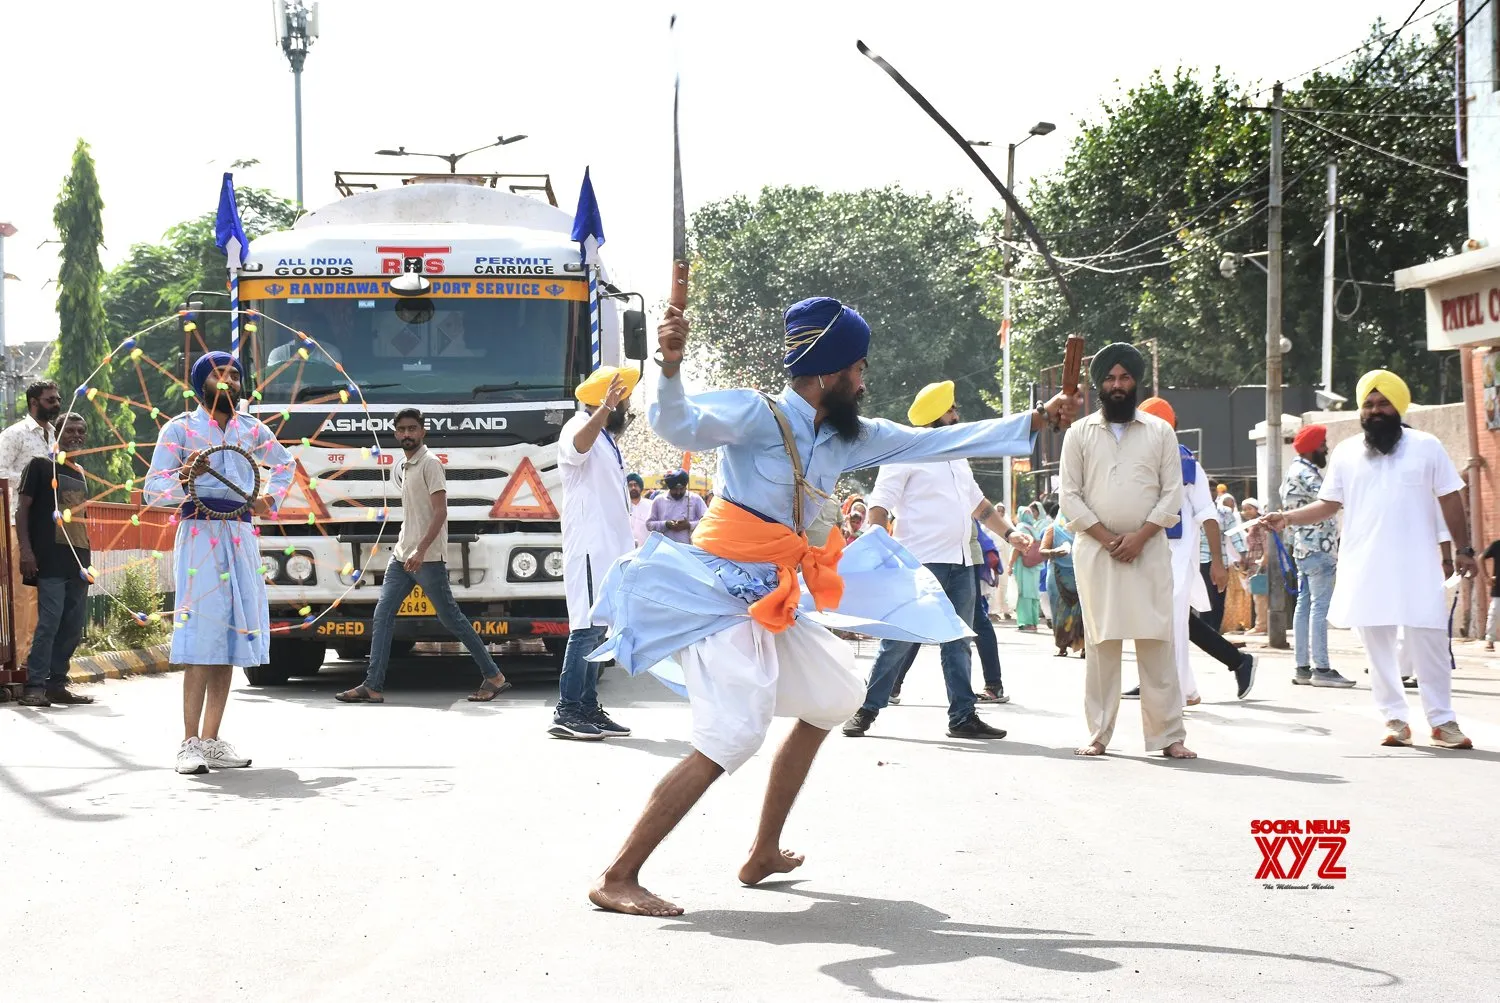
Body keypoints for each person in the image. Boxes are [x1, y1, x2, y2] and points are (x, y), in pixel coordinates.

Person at [583, 298, 1076, 916]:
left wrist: (1032, 421)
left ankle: (763, 850)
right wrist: (671, 365)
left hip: (776, 597)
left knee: (833, 698)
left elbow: (937, 440)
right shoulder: (756, 413)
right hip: (718, 598)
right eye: (859, 370)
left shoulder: (852, 437)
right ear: (827, 372)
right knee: (733, 734)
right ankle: (619, 875)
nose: (865, 382)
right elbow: (678, 425)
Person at [1267, 370, 1474, 750]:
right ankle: (1394, 718)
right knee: (1377, 647)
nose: (1375, 410)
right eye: (1368, 404)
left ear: (1398, 406)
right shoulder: (1347, 453)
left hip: (1418, 564)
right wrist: (1288, 517)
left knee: (1428, 639)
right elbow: (1329, 504)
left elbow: (1449, 498)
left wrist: (1463, 549)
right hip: (1366, 564)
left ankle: (1443, 722)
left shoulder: (1426, 446)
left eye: (1382, 403)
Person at [843, 379, 1033, 738]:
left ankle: (962, 716)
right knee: (898, 640)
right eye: (952, 410)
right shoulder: (905, 451)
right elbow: (880, 503)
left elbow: (981, 506)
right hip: (919, 563)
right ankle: (866, 709)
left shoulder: (957, 455)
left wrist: (1009, 533)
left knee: (958, 639)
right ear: (936, 415)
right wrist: (879, 542)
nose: (957, 415)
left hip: (962, 562)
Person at [146, 353, 295, 773]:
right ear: (201, 384)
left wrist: (270, 498)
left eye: (234, 374)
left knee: (230, 634)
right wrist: (184, 475)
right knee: (201, 634)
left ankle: (211, 740)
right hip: (199, 535)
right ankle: (188, 742)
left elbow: (286, 465)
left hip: (242, 534)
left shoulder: (253, 429)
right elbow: (151, 490)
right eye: (219, 374)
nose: (228, 380)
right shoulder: (180, 429)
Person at [1059, 343, 1194, 759]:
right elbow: (1069, 496)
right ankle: (1099, 734)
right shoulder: (1079, 433)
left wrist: (1139, 537)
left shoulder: (1160, 432)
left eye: (1125, 378)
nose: (1117, 386)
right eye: (1110, 379)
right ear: (1099, 385)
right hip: (1097, 554)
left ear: (1136, 382)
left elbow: (1172, 495)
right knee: (1101, 644)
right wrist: (1106, 537)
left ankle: (1169, 737)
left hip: (1149, 549)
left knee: (1157, 642)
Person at [335, 407, 511, 705]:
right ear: (395, 433)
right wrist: (407, 548)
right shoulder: (405, 467)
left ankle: (494, 676)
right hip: (402, 556)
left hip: (426, 558)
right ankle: (373, 685)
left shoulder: (430, 464)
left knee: (451, 619)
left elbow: (441, 512)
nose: (407, 434)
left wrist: (421, 549)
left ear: (422, 431)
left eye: (412, 429)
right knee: (382, 615)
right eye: (402, 429)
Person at [1135, 396, 1253, 704]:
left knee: (1174, 623)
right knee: (1163, 625)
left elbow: (1207, 514)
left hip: (1176, 557)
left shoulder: (1188, 465)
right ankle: (1184, 688)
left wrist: (1217, 561)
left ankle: (1174, 691)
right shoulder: (1135, 463)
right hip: (1143, 556)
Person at [546, 368, 637, 740]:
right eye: (623, 402)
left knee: (599, 630)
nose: (626, 409)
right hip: (589, 548)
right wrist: (603, 410)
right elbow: (577, 448)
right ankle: (567, 710)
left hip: (610, 551)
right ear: (605, 400)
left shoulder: (608, 439)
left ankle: (587, 706)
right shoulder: (579, 425)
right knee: (584, 628)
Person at [14, 413, 93, 707]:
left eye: (81, 431)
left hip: (79, 561)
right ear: (55, 434)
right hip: (49, 558)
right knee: (49, 621)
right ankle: (34, 686)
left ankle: (57, 684)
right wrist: (26, 551)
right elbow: (21, 511)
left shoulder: (80, 472)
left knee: (73, 625)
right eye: (70, 430)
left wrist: (87, 563)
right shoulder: (39, 466)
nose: (76, 435)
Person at [1280, 423, 1351, 686]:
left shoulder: (1292, 471)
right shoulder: (1309, 474)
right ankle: (1321, 669)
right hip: (1319, 548)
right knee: (1319, 608)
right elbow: (1331, 501)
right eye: (1322, 445)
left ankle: (1302, 667)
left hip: (1302, 548)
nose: (1326, 449)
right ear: (1312, 449)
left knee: (1304, 606)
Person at [1, 379, 63, 671]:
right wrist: (31, 484)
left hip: (45, 525)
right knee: (23, 592)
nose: (57, 403)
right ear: (34, 402)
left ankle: (40, 663)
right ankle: (22, 661)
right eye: (51, 399)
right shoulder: (15, 434)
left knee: (44, 594)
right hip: (17, 522)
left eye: (58, 398)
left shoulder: (53, 438)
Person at [1039, 496, 1084, 657]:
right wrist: (1054, 552)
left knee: (1083, 612)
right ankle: (1062, 646)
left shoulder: (1083, 528)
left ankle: (1083, 645)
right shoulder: (1053, 528)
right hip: (1057, 575)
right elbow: (1042, 551)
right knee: (1060, 612)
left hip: (1081, 574)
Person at [647, 469, 706, 544]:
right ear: (669, 488)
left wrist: (689, 525)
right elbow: (649, 525)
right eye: (675, 489)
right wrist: (666, 524)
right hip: (666, 548)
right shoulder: (659, 500)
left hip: (690, 548)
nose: (678, 493)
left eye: (681, 489)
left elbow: (707, 522)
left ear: (685, 487)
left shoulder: (695, 499)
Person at [1239, 497, 1269, 634]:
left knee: (1260, 594)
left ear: (1256, 509)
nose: (1246, 512)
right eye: (1244, 509)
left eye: (1249, 508)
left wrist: (1265, 558)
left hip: (1260, 561)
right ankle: (1262, 624)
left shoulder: (1260, 523)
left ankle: (1261, 625)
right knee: (1258, 594)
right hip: (1253, 561)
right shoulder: (1251, 524)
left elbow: (1265, 540)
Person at [1009, 506, 1043, 632]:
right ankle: (1033, 622)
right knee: (1033, 594)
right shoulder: (1034, 528)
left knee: (1023, 593)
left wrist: (1010, 564)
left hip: (1023, 565)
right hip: (1034, 565)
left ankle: (1026, 622)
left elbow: (1017, 548)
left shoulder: (1021, 528)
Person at [627, 473, 653, 548]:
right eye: (630, 485)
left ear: (641, 487)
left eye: (636, 485)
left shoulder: (651, 505)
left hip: (647, 549)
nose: (633, 488)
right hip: (627, 551)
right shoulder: (622, 507)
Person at [1484, 536, 1500, 652]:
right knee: (1494, 613)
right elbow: (1481, 558)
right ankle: (1490, 640)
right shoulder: (1496, 545)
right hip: (1498, 587)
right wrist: (1487, 577)